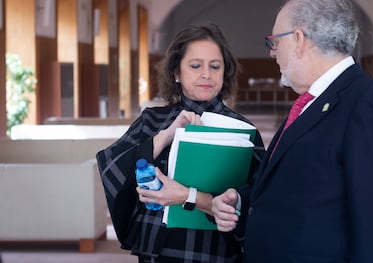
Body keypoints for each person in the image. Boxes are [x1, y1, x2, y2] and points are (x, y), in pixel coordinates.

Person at [212, 0, 373, 262]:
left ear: (299, 39)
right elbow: (303, 187)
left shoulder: (368, 103)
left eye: (274, 42)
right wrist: (242, 199)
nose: (272, 54)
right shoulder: (313, 101)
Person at [96, 23, 264, 263]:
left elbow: (259, 194)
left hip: (215, 247)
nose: (206, 74)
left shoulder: (242, 129)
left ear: (224, 72)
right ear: (176, 72)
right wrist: (166, 135)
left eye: (215, 66)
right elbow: (113, 169)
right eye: (195, 66)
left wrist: (229, 198)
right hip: (158, 244)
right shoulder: (152, 120)